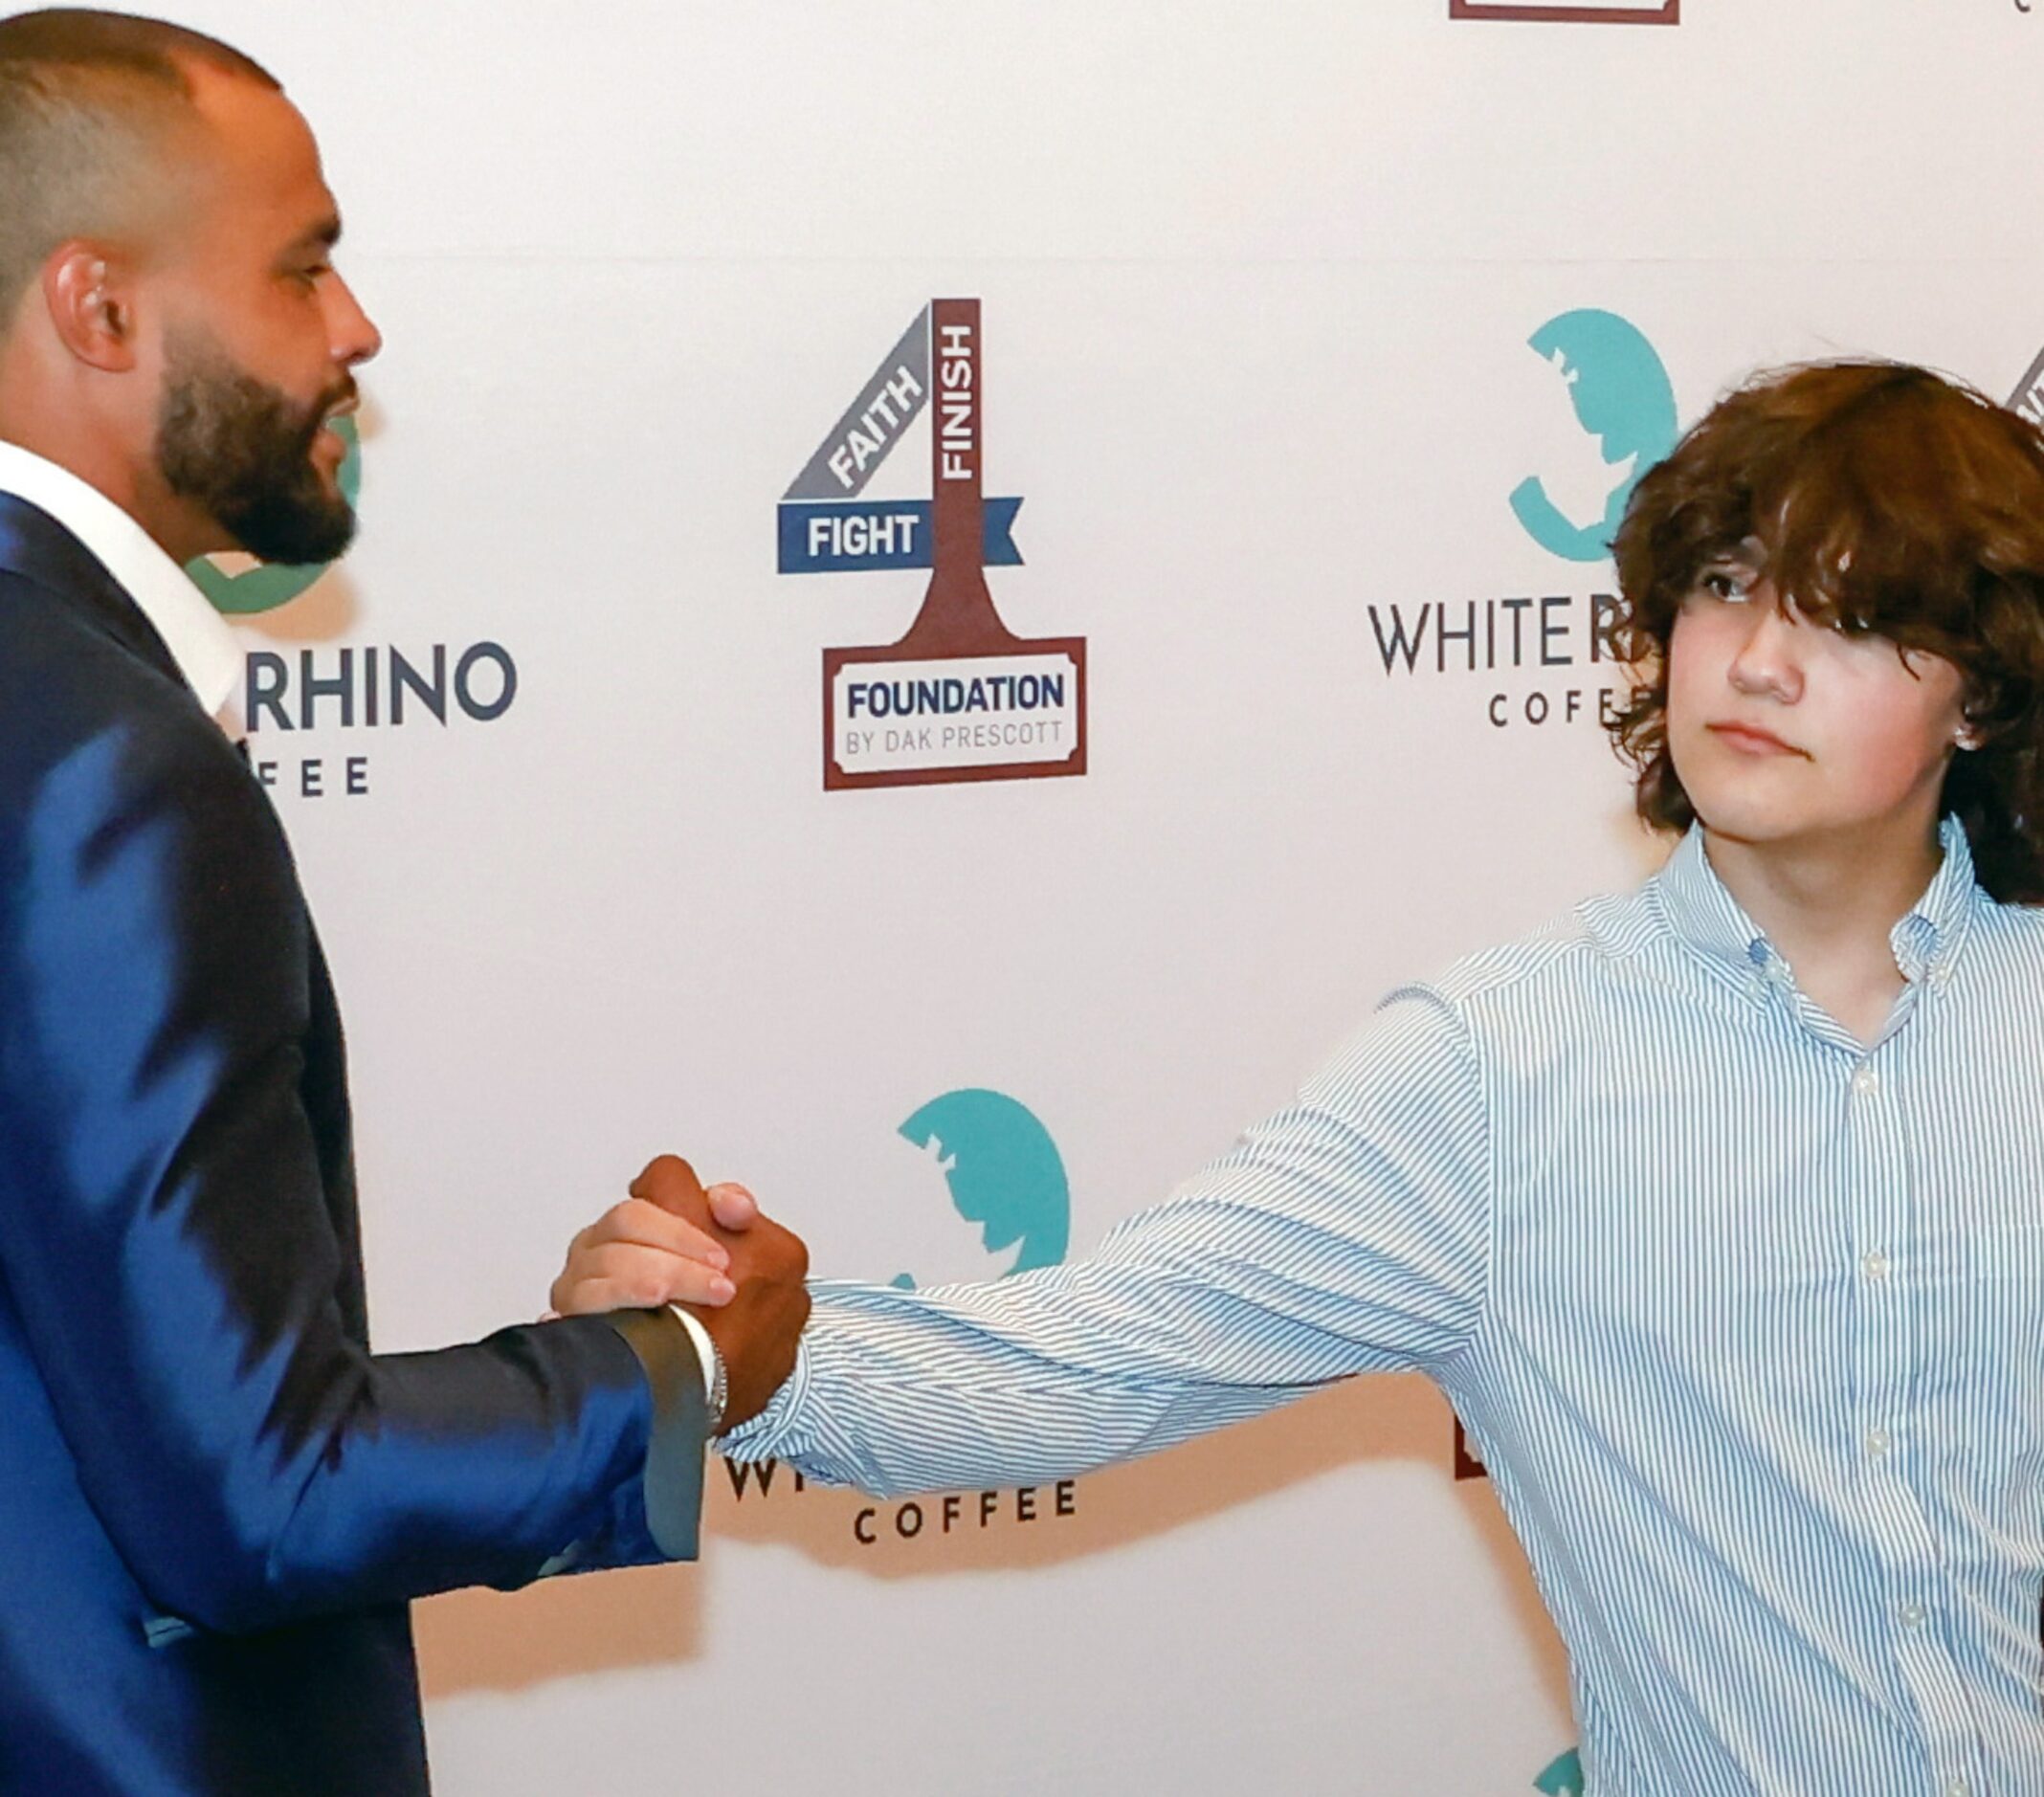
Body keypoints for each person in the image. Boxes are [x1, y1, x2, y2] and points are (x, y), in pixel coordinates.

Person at [611, 361, 2044, 1793]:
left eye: (1850, 616)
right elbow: (1097, 1361)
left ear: (1978, 697)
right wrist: (746, 1354)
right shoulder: (1499, 1069)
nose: (1757, 661)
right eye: (1727, 585)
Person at [0, 12, 806, 1795]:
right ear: (99, 309)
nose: (356, 329)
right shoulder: (96, 761)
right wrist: (673, 1362)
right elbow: (257, 1494)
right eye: (304, 269)